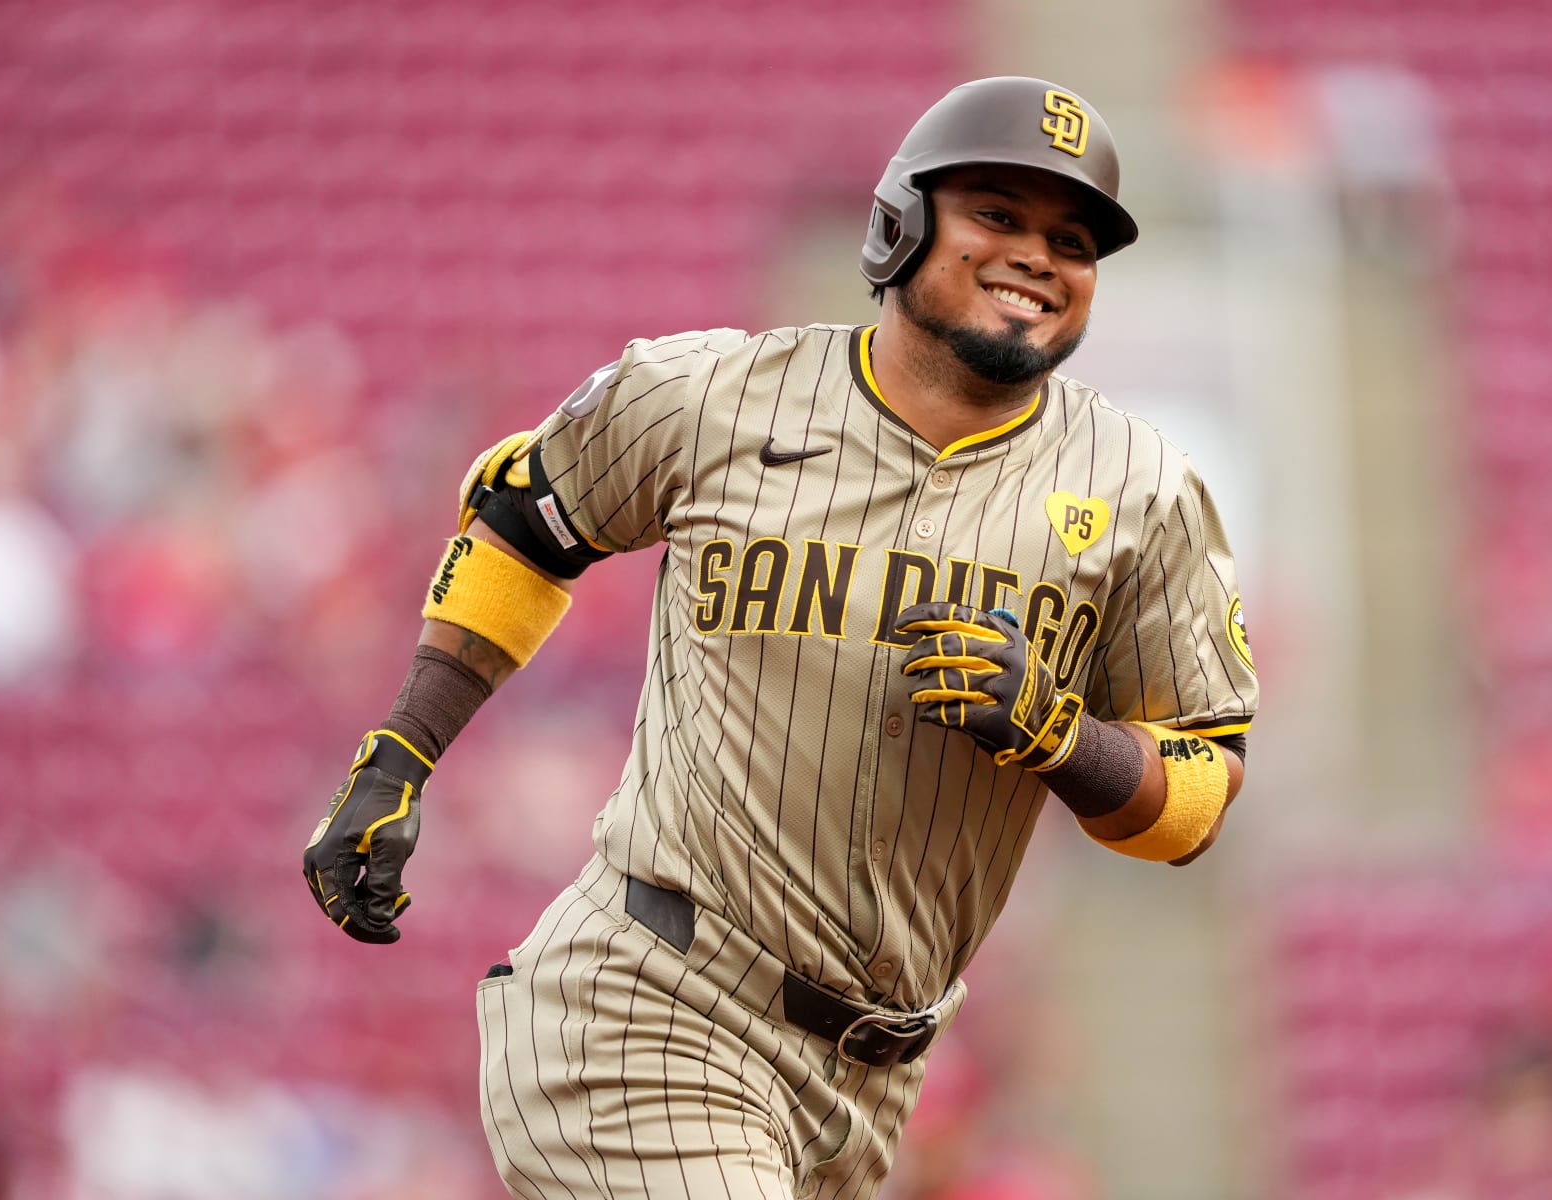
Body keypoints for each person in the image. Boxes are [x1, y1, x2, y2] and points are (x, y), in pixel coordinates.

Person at [303, 76, 1258, 1200]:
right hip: (647, 1006)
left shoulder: (1143, 493)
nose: (1037, 257)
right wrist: (400, 753)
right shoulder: (711, 396)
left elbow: (1201, 795)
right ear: (901, 223)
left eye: (1073, 241)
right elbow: (524, 523)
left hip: (867, 1085)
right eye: (998, 215)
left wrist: (1060, 735)